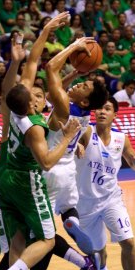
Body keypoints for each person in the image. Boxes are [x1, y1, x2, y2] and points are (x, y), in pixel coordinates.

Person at [0, 42, 99, 270]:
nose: (37, 95)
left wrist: (64, 75)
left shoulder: (32, 116)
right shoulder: (34, 123)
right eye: (34, 94)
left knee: (30, 244)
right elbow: (30, 88)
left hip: (30, 183)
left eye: (41, 94)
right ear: (32, 102)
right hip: (22, 182)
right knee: (35, 244)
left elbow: (41, 85)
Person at [75, 97, 135, 270]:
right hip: (85, 203)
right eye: (99, 107)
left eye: (107, 109)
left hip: (111, 199)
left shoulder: (121, 138)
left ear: (115, 115)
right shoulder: (86, 132)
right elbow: (74, 142)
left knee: (127, 241)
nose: (102, 111)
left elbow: (134, 163)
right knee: (98, 250)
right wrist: (78, 147)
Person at [44, 38, 108, 258]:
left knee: (40, 232)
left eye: (84, 87)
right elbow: (56, 92)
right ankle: (72, 223)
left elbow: (50, 69)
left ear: (84, 102)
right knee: (68, 210)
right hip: (69, 169)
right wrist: (75, 74)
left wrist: (73, 46)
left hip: (48, 167)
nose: (80, 84)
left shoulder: (63, 107)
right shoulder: (84, 115)